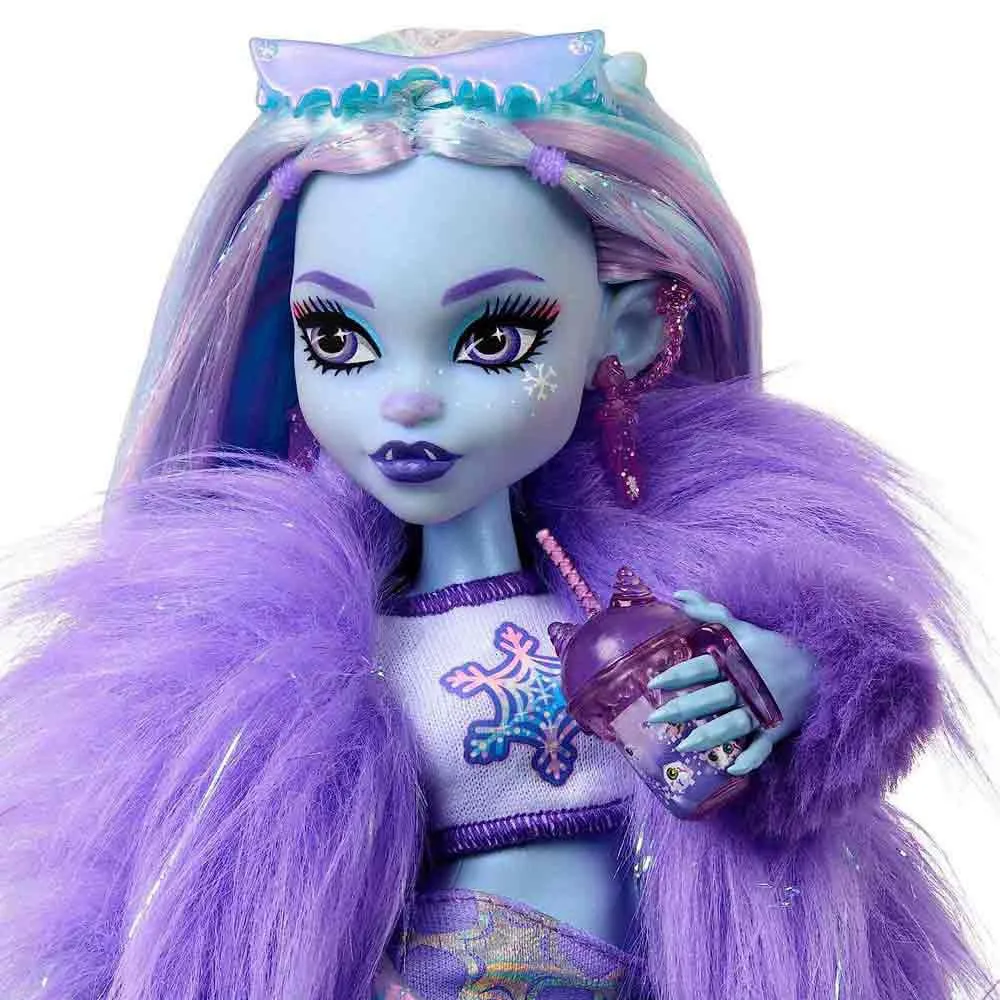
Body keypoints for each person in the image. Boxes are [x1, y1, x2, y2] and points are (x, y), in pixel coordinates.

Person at [0, 26, 990, 999]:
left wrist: (802, 679)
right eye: (339, 340)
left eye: (493, 339)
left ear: (627, 329)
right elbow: (159, 903)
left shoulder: (675, 575)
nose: (406, 400)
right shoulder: (262, 655)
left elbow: (828, 753)